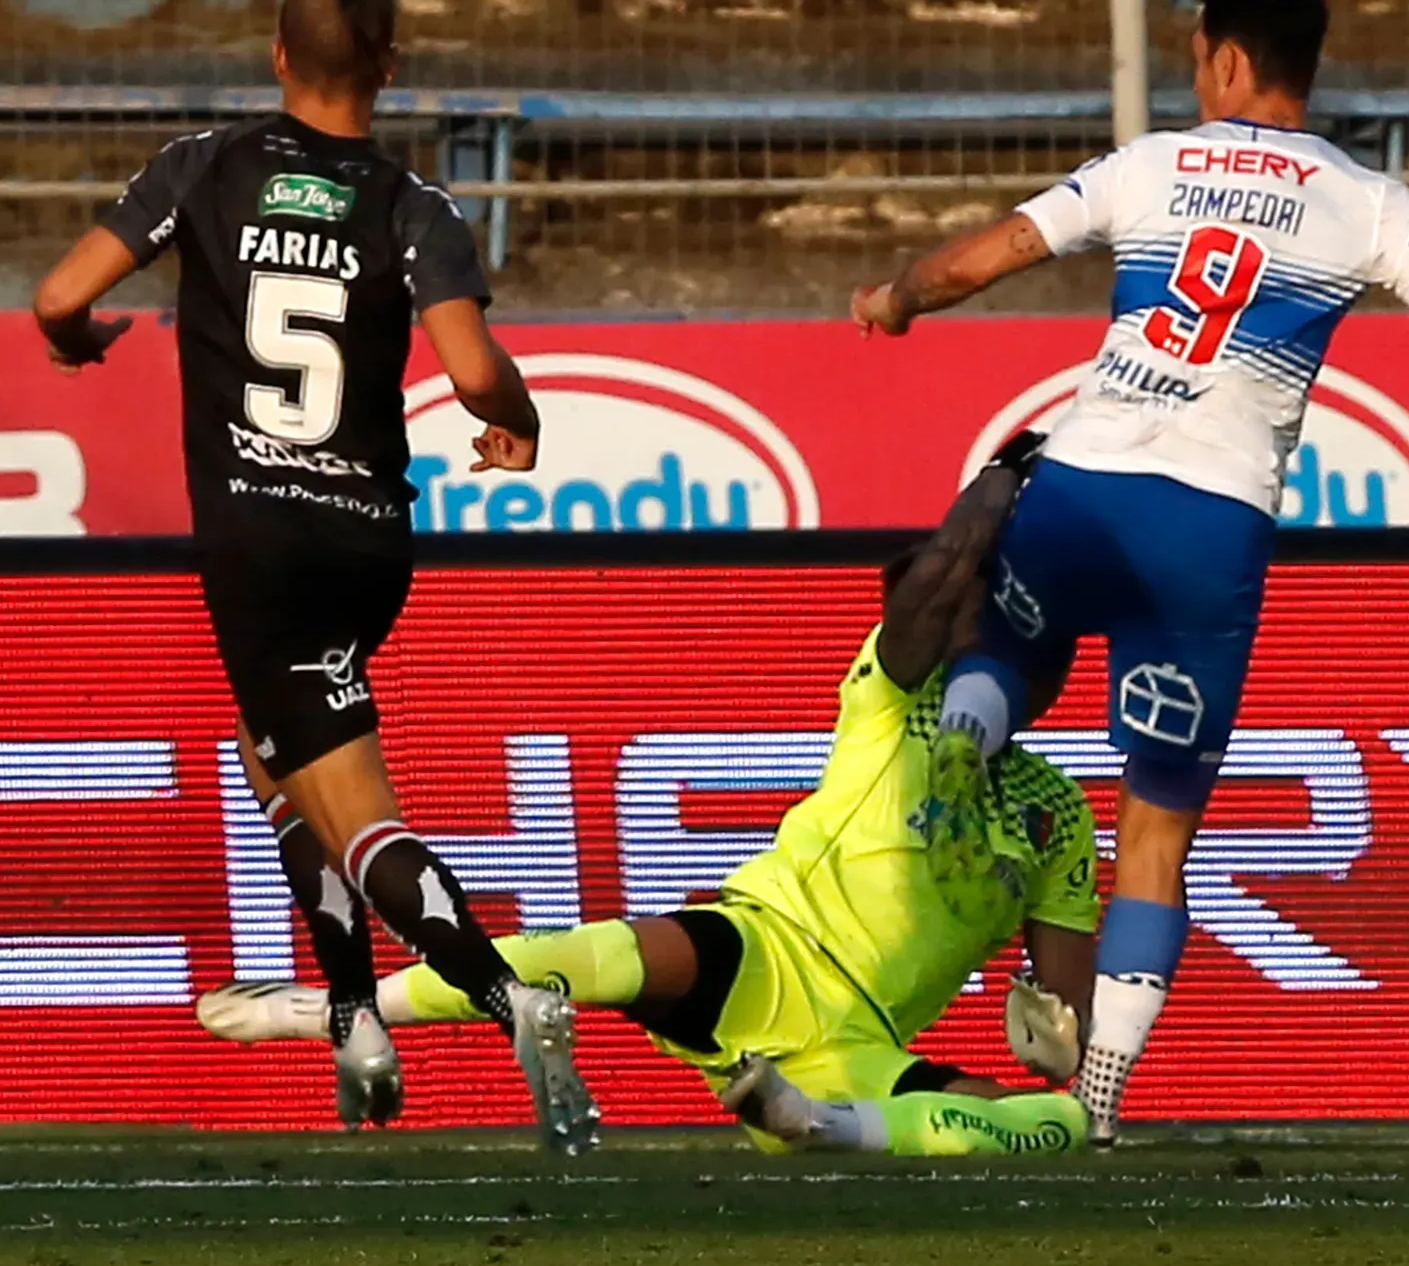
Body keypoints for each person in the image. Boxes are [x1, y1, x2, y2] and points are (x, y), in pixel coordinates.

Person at [851, 0, 1409, 1144]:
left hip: (1084, 484)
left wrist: (895, 296)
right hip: (1209, 527)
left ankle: (968, 739)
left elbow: (987, 255)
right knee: (1153, 828)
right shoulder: (1365, 199)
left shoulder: (1151, 162)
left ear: (1223, 59)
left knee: (999, 648)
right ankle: (1096, 1100)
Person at [32, 0, 594, 1151]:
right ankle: (353, 1021)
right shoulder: (413, 206)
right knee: (272, 758)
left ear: (278, 56)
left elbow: (55, 294)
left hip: (257, 537)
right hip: (367, 539)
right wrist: (521, 421)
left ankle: (507, 997)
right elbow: (473, 370)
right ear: (387, 71)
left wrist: (79, 339)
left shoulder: (205, 164)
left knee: (351, 810)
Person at [202, 453, 1098, 1157]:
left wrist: (1052, 1046)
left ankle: (812, 1122)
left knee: (1062, 1126)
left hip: (867, 1039)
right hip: (769, 945)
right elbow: (933, 581)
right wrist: (1006, 476)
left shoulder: (1059, 814)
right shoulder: (899, 697)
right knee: (604, 956)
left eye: (1027, 646)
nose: (992, 652)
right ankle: (331, 1010)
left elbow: (1065, 1017)